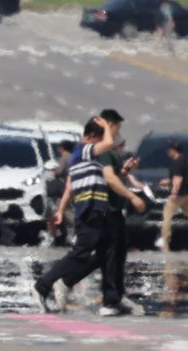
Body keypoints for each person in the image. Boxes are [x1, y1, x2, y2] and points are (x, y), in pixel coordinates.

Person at [49, 109, 147, 316]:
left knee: (113, 255)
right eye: (116, 127)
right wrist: (133, 197)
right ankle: (106, 298)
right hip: (105, 209)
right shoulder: (99, 150)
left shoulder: (105, 151)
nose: (118, 132)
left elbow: (109, 177)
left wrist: (125, 172)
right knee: (103, 255)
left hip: (111, 208)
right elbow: (107, 179)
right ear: (108, 125)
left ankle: (113, 297)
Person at [34, 117, 121, 315]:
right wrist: (108, 127)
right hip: (89, 209)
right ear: (90, 137)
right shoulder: (84, 150)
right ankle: (43, 284)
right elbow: (109, 143)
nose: (101, 143)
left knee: (107, 250)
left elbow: (70, 187)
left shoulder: (80, 157)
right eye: (98, 139)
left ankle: (110, 301)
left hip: (94, 209)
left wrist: (61, 210)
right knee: (81, 253)